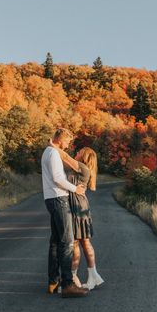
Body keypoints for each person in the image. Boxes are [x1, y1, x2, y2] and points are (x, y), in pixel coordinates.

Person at [41, 128, 89, 298]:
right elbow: (57, 178)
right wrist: (75, 189)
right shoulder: (53, 154)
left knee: (55, 241)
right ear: (61, 140)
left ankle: (53, 281)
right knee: (67, 241)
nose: (68, 145)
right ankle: (68, 284)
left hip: (51, 198)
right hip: (58, 199)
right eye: (68, 141)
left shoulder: (47, 152)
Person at [50, 142, 104, 290]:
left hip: (78, 207)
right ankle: (89, 276)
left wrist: (54, 146)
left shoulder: (83, 168)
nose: (77, 153)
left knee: (77, 243)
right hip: (78, 206)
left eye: (79, 152)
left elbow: (66, 157)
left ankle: (75, 277)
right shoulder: (77, 169)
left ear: (84, 156)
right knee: (81, 243)